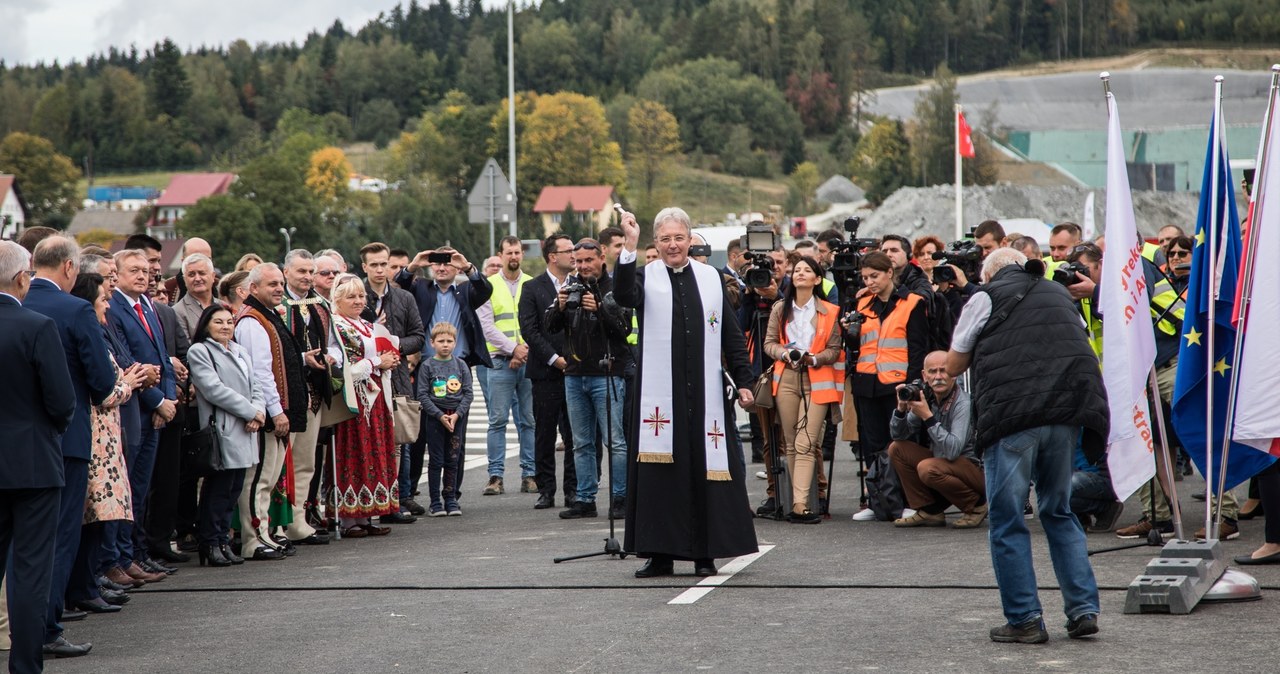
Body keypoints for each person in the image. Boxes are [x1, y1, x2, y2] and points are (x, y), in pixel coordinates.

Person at [946, 247, 1108, 644]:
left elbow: (952, 365)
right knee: (1059, 510)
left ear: (990, 273)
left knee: (1007, 520)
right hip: (1066, 413)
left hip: (1013, 418)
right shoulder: (1058, 292)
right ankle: (1083, 609)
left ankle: (1024, 619)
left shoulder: (985, 296)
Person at [615, 206, 758, 579]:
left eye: (679, 238)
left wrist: (744, 380)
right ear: (656, 243)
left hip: (705, 394)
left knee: (704, 472)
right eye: (665, 239)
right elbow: (623, 296)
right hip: (660, 398)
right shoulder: (645, 276)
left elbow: (730, 335)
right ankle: (659, 554)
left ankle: (705, 553)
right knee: (660, 476)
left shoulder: (711, 278)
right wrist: (628, 246)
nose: (673, 245)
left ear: (690, 239)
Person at [25, 236, 119, 659]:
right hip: (67, 440)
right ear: (68, 268)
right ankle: (46, 629)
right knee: (59, 539)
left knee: (16, 543)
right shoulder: (76, 309)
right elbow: (101, 381)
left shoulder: (17, 308)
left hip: (13, 445)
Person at [0, 240, 77, 673]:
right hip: (33, 462)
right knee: (29, 572)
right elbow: (62, 401)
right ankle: (25, 666)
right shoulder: (36, 326)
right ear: (22, 278)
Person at [65, 273, 142, 617]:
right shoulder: (89, 331)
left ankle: (88, 585)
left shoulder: (98, 331)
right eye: (103, 299)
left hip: (107, 437)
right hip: (97, 440)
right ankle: (83, 587)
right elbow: (107, 390)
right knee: (95, 517)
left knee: (102, 517)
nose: (108, 305)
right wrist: (130, 382)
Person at [545, 238, 635, 520]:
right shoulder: (569, 287)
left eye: (588, 261)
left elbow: (623, 331)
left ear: (602, 258)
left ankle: (621, 498)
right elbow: (549, 327)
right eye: (579, 261)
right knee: (581, 442)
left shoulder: (615, 289)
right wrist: (558, 307)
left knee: (615, 441)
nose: (583, 266)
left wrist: (600, 308)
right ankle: (585, 498)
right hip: (574, 374)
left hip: (607, 374)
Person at [397, 247, 492, 506]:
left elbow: (485, 290)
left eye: (448, 265)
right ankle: (410, 493)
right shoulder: (420, 288)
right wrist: (414, 264)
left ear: (455, 268)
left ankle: (452, 493)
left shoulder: (464, 291)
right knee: (418, 434)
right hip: (424, 367)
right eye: (437, 264)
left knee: (455, 435)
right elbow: (397, 287)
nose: (442, 268)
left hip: (456, 368)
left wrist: (467, 266)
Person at [234, 263, 309, 561]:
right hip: (266, 414)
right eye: (271, 284)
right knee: (259, 479)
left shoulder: (266, 316)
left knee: (269, 478)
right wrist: (276, 411)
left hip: (277, 411)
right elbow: (261, 373)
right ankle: (252, 539)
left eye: (280, 283)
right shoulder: (252, 321)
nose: (279, 288)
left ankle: (263, 533)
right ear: (253, 288)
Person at [846, 251, 928, 522]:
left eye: (875, 276)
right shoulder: (862, 304)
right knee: (872, 443)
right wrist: (848, 330)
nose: (870, 282)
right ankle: (878, 500)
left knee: (900, 443)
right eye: (866, 277)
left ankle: (904, 499)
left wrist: (914, 385)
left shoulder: (912, 302)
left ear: (890, 273)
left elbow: (917, 348)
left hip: (896, 383)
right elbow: (857, 346)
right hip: (866, 381)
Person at [762, 255, 843, 524]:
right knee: (790, 442)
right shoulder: (779, 309)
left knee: (806, 441)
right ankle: (799, 502)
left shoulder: (830, 311)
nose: (800, 273)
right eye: (796, 269)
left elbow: (834, 350)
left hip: (817, 377)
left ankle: (799, 505)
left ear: (817, 279)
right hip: (786, 376)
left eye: (807, 270)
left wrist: (814, 358)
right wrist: (785, 354)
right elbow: (769, 343)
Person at [188, 305, 265, 566]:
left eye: (229, 322)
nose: (225, 326)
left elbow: (256, 386)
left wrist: (258, 411)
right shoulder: (200, 351)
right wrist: (250, 412)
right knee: (217, 489)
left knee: (234, 489)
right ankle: (209, 542)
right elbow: (213, 389)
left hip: (246, 427)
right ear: (206, 325)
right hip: (224, 427)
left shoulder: (240, 350)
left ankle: (223, 539)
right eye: (218, 321)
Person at [327, 274, 401, 535]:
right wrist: (378, 363)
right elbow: (344, 368)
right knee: (355, 450)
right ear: (337, 299)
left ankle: (368, 515)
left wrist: (387, 361)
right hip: (354, 399)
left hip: (375, 395)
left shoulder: (365, 325)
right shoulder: (336, 325)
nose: (358, 301)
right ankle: (349, 519)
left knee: (374, 450)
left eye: (361, 296)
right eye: (351, 296)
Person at [359, 243, 426, 518]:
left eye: (383, 264)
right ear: (364, 266)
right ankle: (369, 498)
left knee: (399, 441)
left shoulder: (403, 298)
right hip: (364, 381)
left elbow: (419, 337)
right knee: (368, 443)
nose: (379, 269)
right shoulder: (355, 295)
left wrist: (392, 345)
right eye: (373, 264)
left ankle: (396, 498)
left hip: (396, 376)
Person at [278, 250, 339, 542]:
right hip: (284, 395)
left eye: (309, 271)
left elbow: (333, 344)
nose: (306, 277)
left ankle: (297, 521)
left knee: (305, 461)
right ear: (286, 272)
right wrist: (304, 358)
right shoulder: (278, 305)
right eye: (300, 271)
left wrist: (331, 358)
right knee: (279, 464)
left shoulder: (320, 304)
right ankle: (274, 523)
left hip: (313, 392)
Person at [887, 351, 987, 529]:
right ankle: (929, 511)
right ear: (924, 376)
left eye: (944, 371)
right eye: (932, 372)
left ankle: (977, 506)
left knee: (927, 467)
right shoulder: (927, 397)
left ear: (954, 374)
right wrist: (901, 410)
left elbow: (953, 450)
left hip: (971, 471)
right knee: (897, 449)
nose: (938, 377)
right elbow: (900, 436)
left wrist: (928, 417)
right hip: (942, 465)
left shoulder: (963, 403)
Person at [518, 234, 579, 510]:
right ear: (553, 256)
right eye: (568, 251)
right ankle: (546, 489)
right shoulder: (532, 288)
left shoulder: (580, 285)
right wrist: (554, 359)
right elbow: (529, 330)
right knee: (544, 432)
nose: (574, 255)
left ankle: (573, 490)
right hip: (545, 371)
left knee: (575, 435)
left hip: (577, 371)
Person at [477, 236, 537, 496]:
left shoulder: (532, 284)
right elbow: (487, 327)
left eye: (517, 252)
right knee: (497, 420)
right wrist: (513, 349)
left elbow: (537, 324)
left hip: (528, 360)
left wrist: (522, 350)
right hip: (499, 361)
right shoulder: (488, 286)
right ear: (500, 255)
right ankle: (496, 476)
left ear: (522, 254)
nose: (513, 257)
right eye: (508, 252)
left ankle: (529, 474)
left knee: (528, 420)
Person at [416, 322, 474, 516]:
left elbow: (468, 393)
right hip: (435, 418)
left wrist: (457, 415)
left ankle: (451, 499)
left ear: (455, 343)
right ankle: (435, 502)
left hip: (456, 417)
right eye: (441, 341)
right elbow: (422, 395)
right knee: (436, 460)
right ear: (432, 343)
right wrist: (440, 416)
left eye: (449, 341)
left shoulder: (461, 364)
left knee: (453, 459)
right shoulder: (427, 366)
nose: (445, 345)